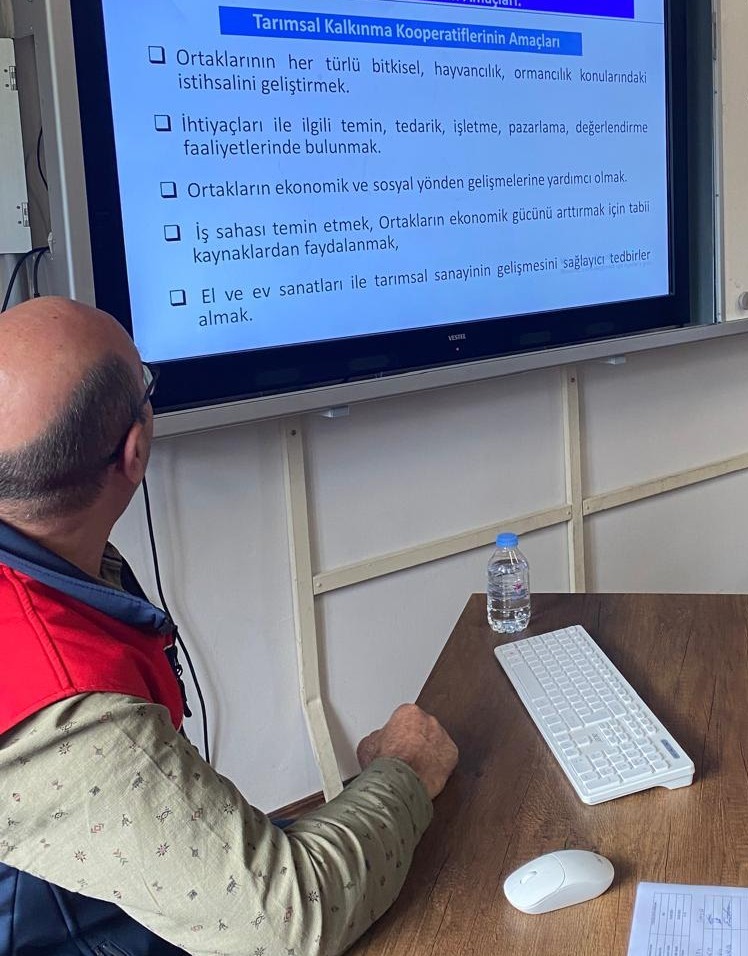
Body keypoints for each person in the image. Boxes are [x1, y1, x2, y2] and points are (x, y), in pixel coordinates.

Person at [0, 297, 459, 955]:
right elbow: (289, 924)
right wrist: (405, 769)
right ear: (135, 450)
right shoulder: (68, 706)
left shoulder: (55, 572)